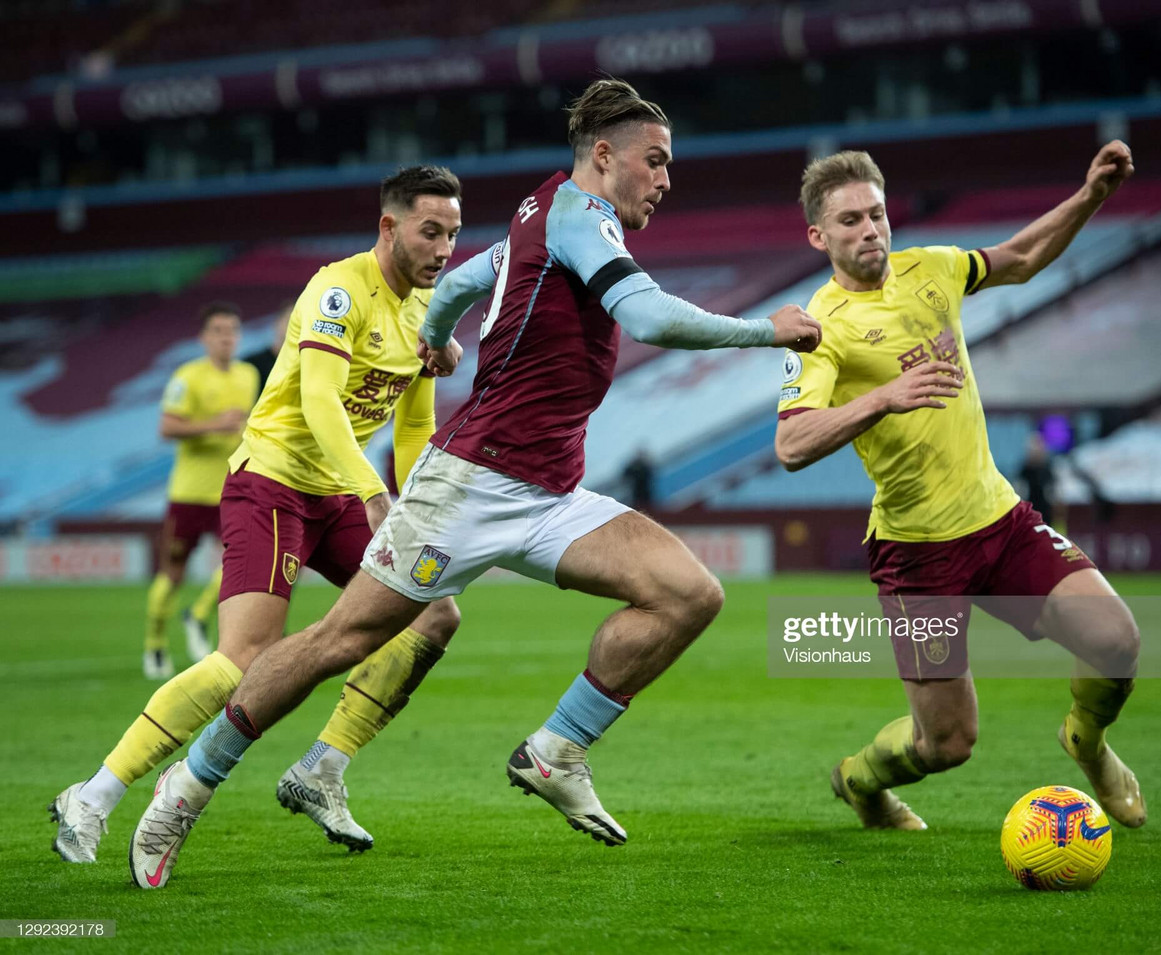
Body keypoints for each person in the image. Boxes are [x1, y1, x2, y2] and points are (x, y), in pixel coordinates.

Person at [126, 77, 822, 888]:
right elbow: (649, 319)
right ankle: (187, 786)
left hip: (551, 492)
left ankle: (557, 750)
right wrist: (766, 328)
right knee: (337, 642)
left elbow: (463, 281)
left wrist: (431, 336)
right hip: (467, 487)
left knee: (689, 592)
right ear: (604, 156)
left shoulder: (541, 214)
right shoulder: (578, 217)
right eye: (655, 162)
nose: (666, 181)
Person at [49, 166, 465, 865]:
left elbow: (415, 424)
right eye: (431, 231)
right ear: (389, 226)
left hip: (339, 492)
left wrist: (418, 499)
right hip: (271, 482)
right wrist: (373, 492)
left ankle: (323, 769)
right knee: (243, 659)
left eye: (453, 234)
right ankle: (94, 793)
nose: (445, 249)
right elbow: (320, 405)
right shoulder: (339, 290)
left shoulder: (431, 311)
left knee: (434, 612)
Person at [776, 145, 1145, 832]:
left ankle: (1087, 741)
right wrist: (883, 396)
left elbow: (1022, 257)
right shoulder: (819, 328)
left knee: (1117, 639)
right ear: (818, 237)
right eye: (850, 220)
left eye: (877, 214)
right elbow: (791, 443)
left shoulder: (932, 269)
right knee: (946, 743)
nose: (870, 230)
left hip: (1000, 521)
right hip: (917, 555)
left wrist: (1092, 192)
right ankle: (861, 779)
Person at [142, 303, 259, 680]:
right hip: (189, 492)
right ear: (204, 337)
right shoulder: (187, 377)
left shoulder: (248, 376)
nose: (226, 338)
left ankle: (199, 614)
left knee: (239, 560)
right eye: (219, 331)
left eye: (232, 331)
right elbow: (167, 427)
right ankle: (155, 644)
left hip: (230, 489)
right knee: (173, 571)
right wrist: (214, 425)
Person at [243, 302, 292, 398]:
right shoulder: (251, 365)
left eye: (300, 324)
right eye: (289, 321)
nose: (294, 328)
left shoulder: (307, 367)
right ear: (276, 323)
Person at [1019, 433, 1058, 527]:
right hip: (1030, 516)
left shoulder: (1048, 471)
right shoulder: (1024, 472)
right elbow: (1020, 494)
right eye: (1033, 451)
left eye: (1039, 450)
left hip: (1047, 516)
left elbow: (1053, 493)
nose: (1036, 453)